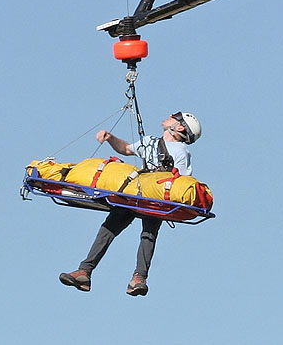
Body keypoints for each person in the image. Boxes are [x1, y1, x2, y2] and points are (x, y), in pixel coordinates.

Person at [59, 112, 203, 297]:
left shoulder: (180, 152)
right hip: (136, 190)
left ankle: (139, 277)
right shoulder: (150, 142)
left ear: (180, 127)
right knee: (109, 228)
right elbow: (126, 149)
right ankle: (84, 272)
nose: (169, 116)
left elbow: (182, 182)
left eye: (175, 116)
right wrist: (110, 138)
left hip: (156, 197)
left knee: (148, 233)